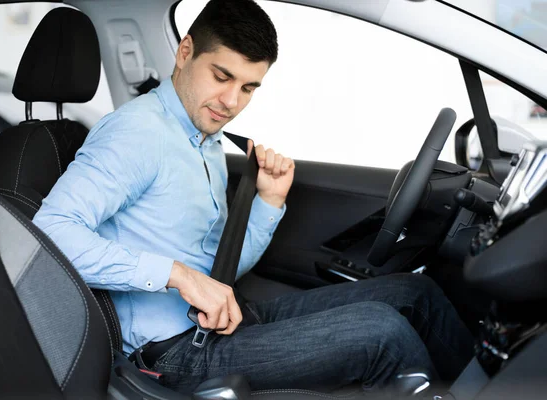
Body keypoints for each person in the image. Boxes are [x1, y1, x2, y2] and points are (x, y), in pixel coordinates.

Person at [33, 0, 474, 394]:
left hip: (225, 320)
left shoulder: (202, 138)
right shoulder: (136, 133)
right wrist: (179, 276)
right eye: (222, 76)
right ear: (185, 52)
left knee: (415, 293)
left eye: (248, 87)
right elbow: (49, 236)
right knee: (383, 333)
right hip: (172, 352)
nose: (230, 101)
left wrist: (268, 203)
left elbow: (218, 273)